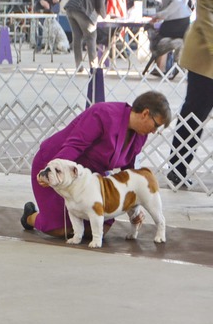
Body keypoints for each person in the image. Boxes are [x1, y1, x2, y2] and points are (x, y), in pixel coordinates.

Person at [21, 91, 171, 238]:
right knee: (61, 229)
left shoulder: (140, 135)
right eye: (156, 125)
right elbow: (74, 146)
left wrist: (134, 207)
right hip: (58, 163)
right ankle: (30, 216)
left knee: (100, 227)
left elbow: (129, 173)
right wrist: (52, 171)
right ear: (145, 113)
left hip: (91, 177)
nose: (154, 131)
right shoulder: (103, 114)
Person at [167, 0, 213, 187]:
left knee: (197, 115)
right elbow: (206, 15)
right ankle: (177, 167)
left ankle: (179, 167)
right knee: (194, 115)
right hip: (205, 56)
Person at [64, 0, 112, 72]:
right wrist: (106, 16)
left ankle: (79, 66)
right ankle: (93, 67)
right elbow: (100, 6)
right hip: (81, 11)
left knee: (77, 38)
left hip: (70, 9)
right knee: (91, 37)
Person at [148, 0, 192, 73]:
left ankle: (161, 67)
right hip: (181, 20)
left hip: (177, 22)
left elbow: (176, 3)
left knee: (155, 37)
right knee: (161, 36)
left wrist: (160, 15)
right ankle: (163, 67)